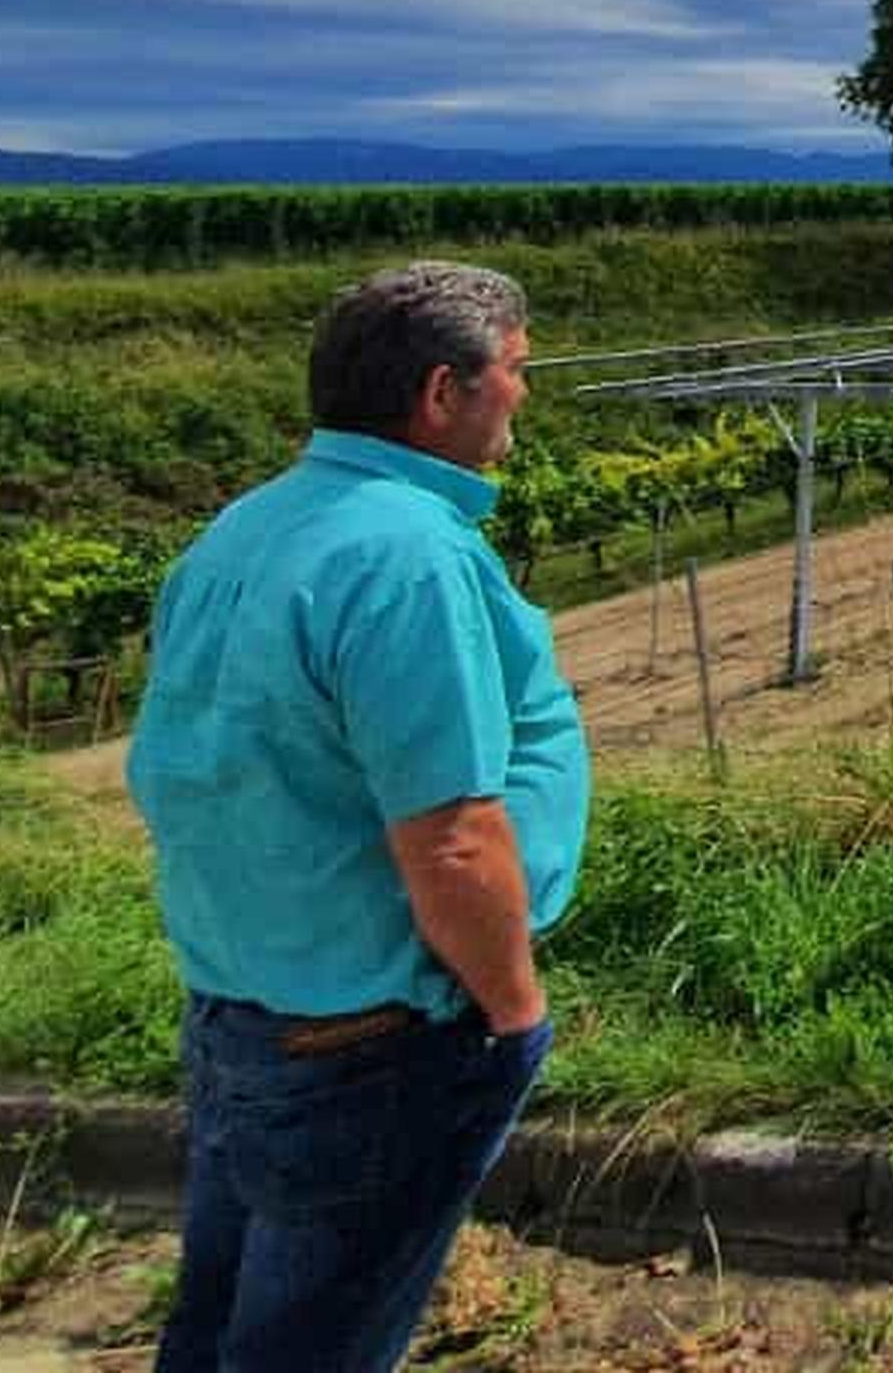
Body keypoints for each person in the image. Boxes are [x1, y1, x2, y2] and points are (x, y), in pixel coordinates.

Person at [127, 260, 588, 1372]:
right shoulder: (408, 556)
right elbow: (452, 835)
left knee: (231, 1320)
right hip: (377, 1031)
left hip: (245, 1006)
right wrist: (514, 1008)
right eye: (515, 372)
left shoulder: (249, 528)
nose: (525, 394)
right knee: (316, 1343)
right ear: (443, 392)